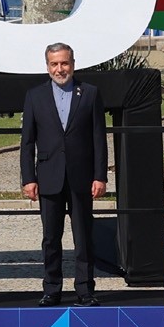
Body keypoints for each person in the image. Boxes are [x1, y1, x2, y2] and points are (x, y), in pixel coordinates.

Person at [19, 41, 109, 307]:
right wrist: (28, 179)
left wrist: (100, 176)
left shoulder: (90, 93)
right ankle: (51, 289)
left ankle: (84, 289)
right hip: (48, 177)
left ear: (73, 63)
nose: (60, 69)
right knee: (50, 238)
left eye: (64, 63)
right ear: (47, 66)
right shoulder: (35, 96)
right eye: (54, 64)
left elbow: (98, 139)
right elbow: (27, 143)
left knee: (83, 237)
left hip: (82, 177)